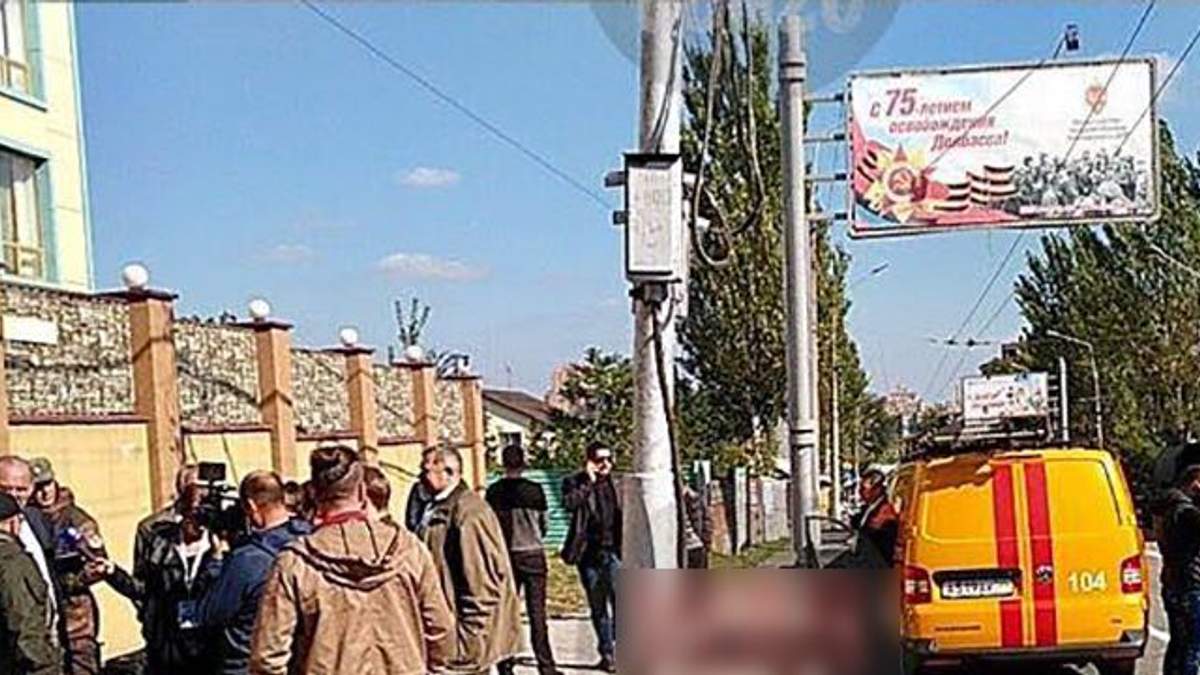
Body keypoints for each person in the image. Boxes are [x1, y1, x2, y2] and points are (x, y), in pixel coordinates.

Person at [249, 445, 453, 675]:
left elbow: (268, 656)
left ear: (314, 494)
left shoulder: (295, 563)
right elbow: (441, 634)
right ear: (363, 493)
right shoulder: (410, 550)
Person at [194, 471, 311, 675]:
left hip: (249, 663)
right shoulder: (312, 538)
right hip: (302, 660)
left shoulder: (247, 560)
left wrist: (216, 559)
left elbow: (208, 614)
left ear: (251, 505)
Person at [420, 445, 522, 675]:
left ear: (449, 472)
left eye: (426, 470)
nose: (420, 477)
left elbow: (482, 585)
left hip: (466, 637)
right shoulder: (436, 506)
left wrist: (469, 640)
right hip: (448, 626)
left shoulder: (469, 512)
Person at [100, 484, 217, 675]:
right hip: (166, 644)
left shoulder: (218, 549)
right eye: (195, 516)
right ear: (182, 513)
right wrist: (113, 573)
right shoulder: (160, 545)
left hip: (206, 646)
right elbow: (142, 589)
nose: (200, 525)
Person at [486, 445, 561, 675]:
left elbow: (489, 526)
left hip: (506, 556)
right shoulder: (535, 490)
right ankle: (546, 665)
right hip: (533, 554)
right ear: (524, 463)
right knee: (537, 613)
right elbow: (544, 525)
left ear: (503, 463)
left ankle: (506, 664)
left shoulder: (494, 492)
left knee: (507, 612)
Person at [29, 459, 107, 675]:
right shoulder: (25, 520)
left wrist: (73, 581)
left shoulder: (75, 519)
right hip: (42, 612)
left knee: (81, 664)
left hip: (75, 611)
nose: (43, 493)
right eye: (37, 487)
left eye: (47, 484)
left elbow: (99, 564)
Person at [561, 442, 622, 673]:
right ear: (589, 462)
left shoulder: (618, 484)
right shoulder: (575, 482)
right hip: (589, 554)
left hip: (614, 551)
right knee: (598, 606)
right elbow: (569, 504)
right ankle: (607, 653)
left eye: (608, 459)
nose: (605, 464)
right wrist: (589, 481)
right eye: (599, 460)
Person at [0, 456, 62, 663]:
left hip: (47, 642)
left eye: (21, 489)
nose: (14, 496)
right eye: (5, 489)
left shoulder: (38, 520)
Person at [1162, 465, 1200, 675]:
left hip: (1173, 583)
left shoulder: (1168, 508)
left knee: (1179, 644)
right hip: (1189, 584)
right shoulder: (1186, 512)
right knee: (1191, 648)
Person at [850, 469, 899, 568]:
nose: (860, 492)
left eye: (863, 489)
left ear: (877, 489)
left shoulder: (885, 511)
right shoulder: (869, 507)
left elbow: (878, 537)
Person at [683, 484, 712, 570]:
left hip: (696, 545)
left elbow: (706, 520)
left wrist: (706, 542)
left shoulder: (695, 498)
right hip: (687, 547)